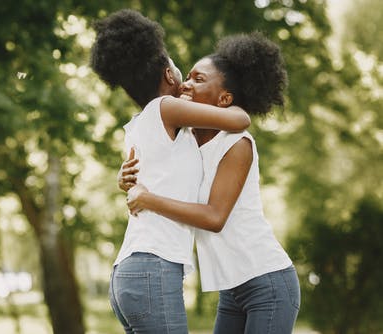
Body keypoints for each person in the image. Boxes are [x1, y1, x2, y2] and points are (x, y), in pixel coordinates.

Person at [124, 32, 300, 334]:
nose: (186, 84)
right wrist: (124, 176)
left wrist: (148, 198)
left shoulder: (236, 143)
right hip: (231, 289)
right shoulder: (184, 141)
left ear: (225, 99)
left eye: (199, 79)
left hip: (267, 283)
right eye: (187, 76)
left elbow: (215, 217)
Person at [90, 9, 250, 334]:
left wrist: (126, 183)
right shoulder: (167, 108)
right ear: (169, 74)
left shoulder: (138, 124)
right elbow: (240, 120)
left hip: (130, 271)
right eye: (183, 73)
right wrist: (225, 98)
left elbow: (144, 177)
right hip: (153, 268)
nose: (188, 82)